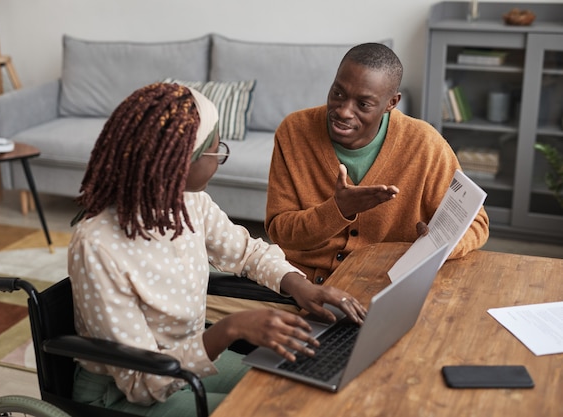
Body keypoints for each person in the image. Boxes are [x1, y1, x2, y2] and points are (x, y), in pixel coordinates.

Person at [68, 82, 367, 416]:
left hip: (191, 360)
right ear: (179, 164)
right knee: (272, 410)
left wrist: (300, 286)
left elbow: (248, 252)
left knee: (299, 388)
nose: (221, 159)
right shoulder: (97, 245)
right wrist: (231, 328)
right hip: (125, 393)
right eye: (216, 150)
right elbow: (142, 383)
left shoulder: (189, 203)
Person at [266, 42, 489, 284]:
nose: (344, 111)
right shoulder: (294, 132)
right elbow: (280, 231)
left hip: (381, 285)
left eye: (363, 104)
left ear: (391, 103)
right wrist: (337, 210)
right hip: (302, 285)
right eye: (337, 93)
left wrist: (437, 246)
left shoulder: (425, 145)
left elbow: (476, 223)